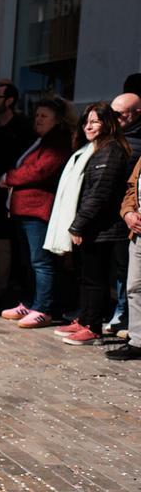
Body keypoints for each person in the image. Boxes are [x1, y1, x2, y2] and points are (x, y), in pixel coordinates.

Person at [52, 104, 131, 346]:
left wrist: (78, 225)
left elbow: (99, 194)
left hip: (103, 228)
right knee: (86, 276)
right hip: (94, 227)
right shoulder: (95, 150)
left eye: (95, 121)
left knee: (95, 278)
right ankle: (85, 319)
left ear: (108, 124)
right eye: (86, 121)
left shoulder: (110, 152)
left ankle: (93, 327)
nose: (88, 126)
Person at [0, 98, 74, 328]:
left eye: (44, 116)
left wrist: (9, 177)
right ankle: (31, 302)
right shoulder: (41, 140)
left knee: (41, 262)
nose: (38, 119)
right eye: (37, 115)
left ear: (57, 120)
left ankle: (43, 308)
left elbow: (39, 171)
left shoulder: (58, 141)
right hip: (24, 209)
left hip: (38, 210)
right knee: (28, 261)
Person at [0, 82, 34, 302]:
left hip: (12, 190)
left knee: (6, 240)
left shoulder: (23, 127)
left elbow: (25, 160)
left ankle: (1, 287)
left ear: (9, 100)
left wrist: (7, 181)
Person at [106, 92, 141, 337]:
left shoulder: (133, 143)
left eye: (119, 114)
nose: (113, 119)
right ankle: (136, 339)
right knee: (133, 286)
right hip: (133, 226)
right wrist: (128, 211)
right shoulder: (115, 139)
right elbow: (132, 185)